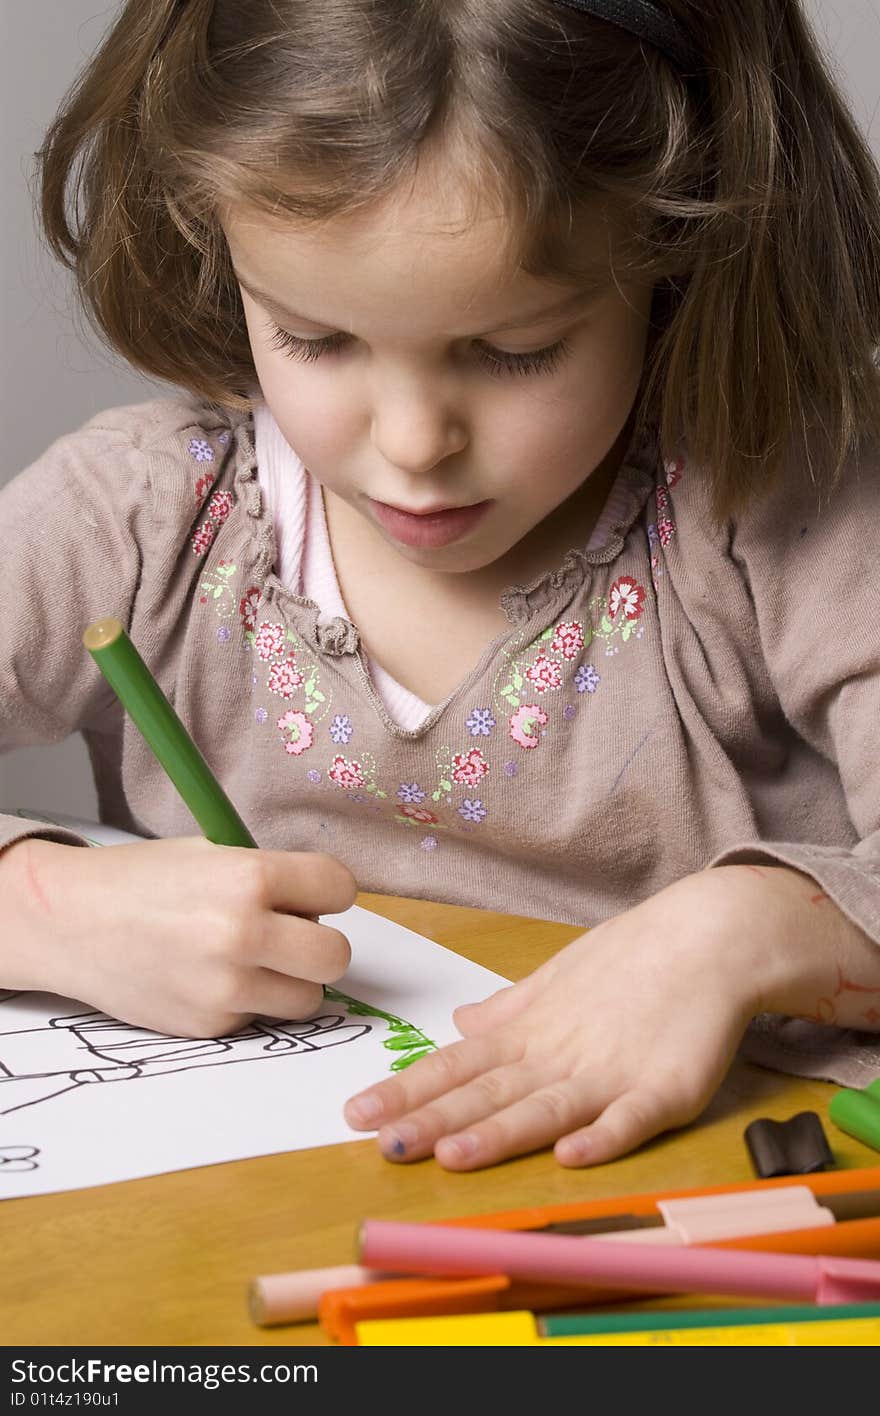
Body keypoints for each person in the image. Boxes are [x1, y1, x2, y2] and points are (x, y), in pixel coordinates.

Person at [3, 0, 880, 1173]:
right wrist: (43, 911)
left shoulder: (787, 492)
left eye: (515, 350)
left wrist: (752, 927)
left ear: (681, 255)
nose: (413, 444)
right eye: (315, 338)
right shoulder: (142, 516)